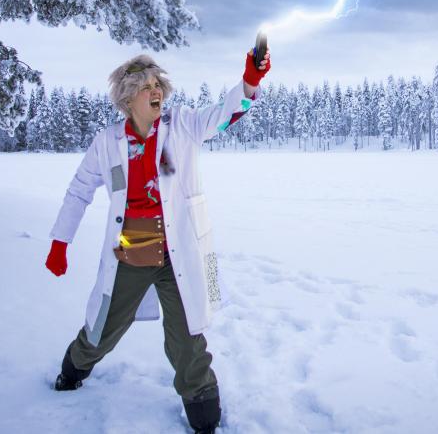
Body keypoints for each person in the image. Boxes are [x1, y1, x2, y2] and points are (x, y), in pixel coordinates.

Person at [45, 48, 270, 433]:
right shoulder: (107, 141)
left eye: (158, 85)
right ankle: (73, 370)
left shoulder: (181, 125)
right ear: (127, 97)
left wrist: (250, 81)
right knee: (102, 327)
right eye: (146, 87)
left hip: (181, 248)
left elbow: (224, 115)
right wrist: (60, 241)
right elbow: (80, 189)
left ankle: (204, 417)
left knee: (188, 338)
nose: (156, 92)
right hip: (133, 248)